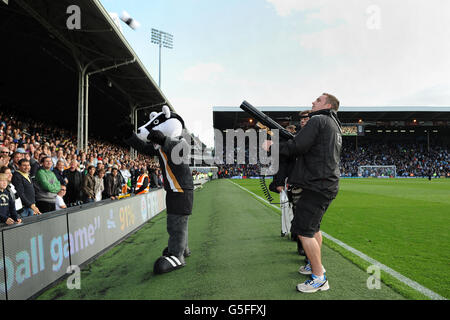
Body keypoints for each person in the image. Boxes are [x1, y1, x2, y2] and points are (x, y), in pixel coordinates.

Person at [263, 93, 342, 293]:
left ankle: (319, 277)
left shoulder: (319, 120)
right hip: (324, 184)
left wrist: (273, 147)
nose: (313, 102)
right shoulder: (334, 124)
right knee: (314, 229)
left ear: (328, 104)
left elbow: (298, 146)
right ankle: (313, 266)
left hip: (317, 185)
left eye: (318, 100)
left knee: (303, 230)